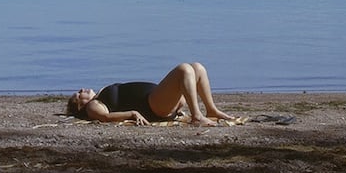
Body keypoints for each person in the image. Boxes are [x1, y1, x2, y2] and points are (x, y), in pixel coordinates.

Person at [67, 62, 233, 126]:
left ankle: (211, 109)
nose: (82, 90)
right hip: (153, 107)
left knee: (197, 67)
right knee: (184, 69)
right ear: (81, 105)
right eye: (78, 94)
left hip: (159, 101)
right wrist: (132, 113)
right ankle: (197, 116)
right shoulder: (93, 107)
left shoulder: (100, 95)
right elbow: (105, 118)